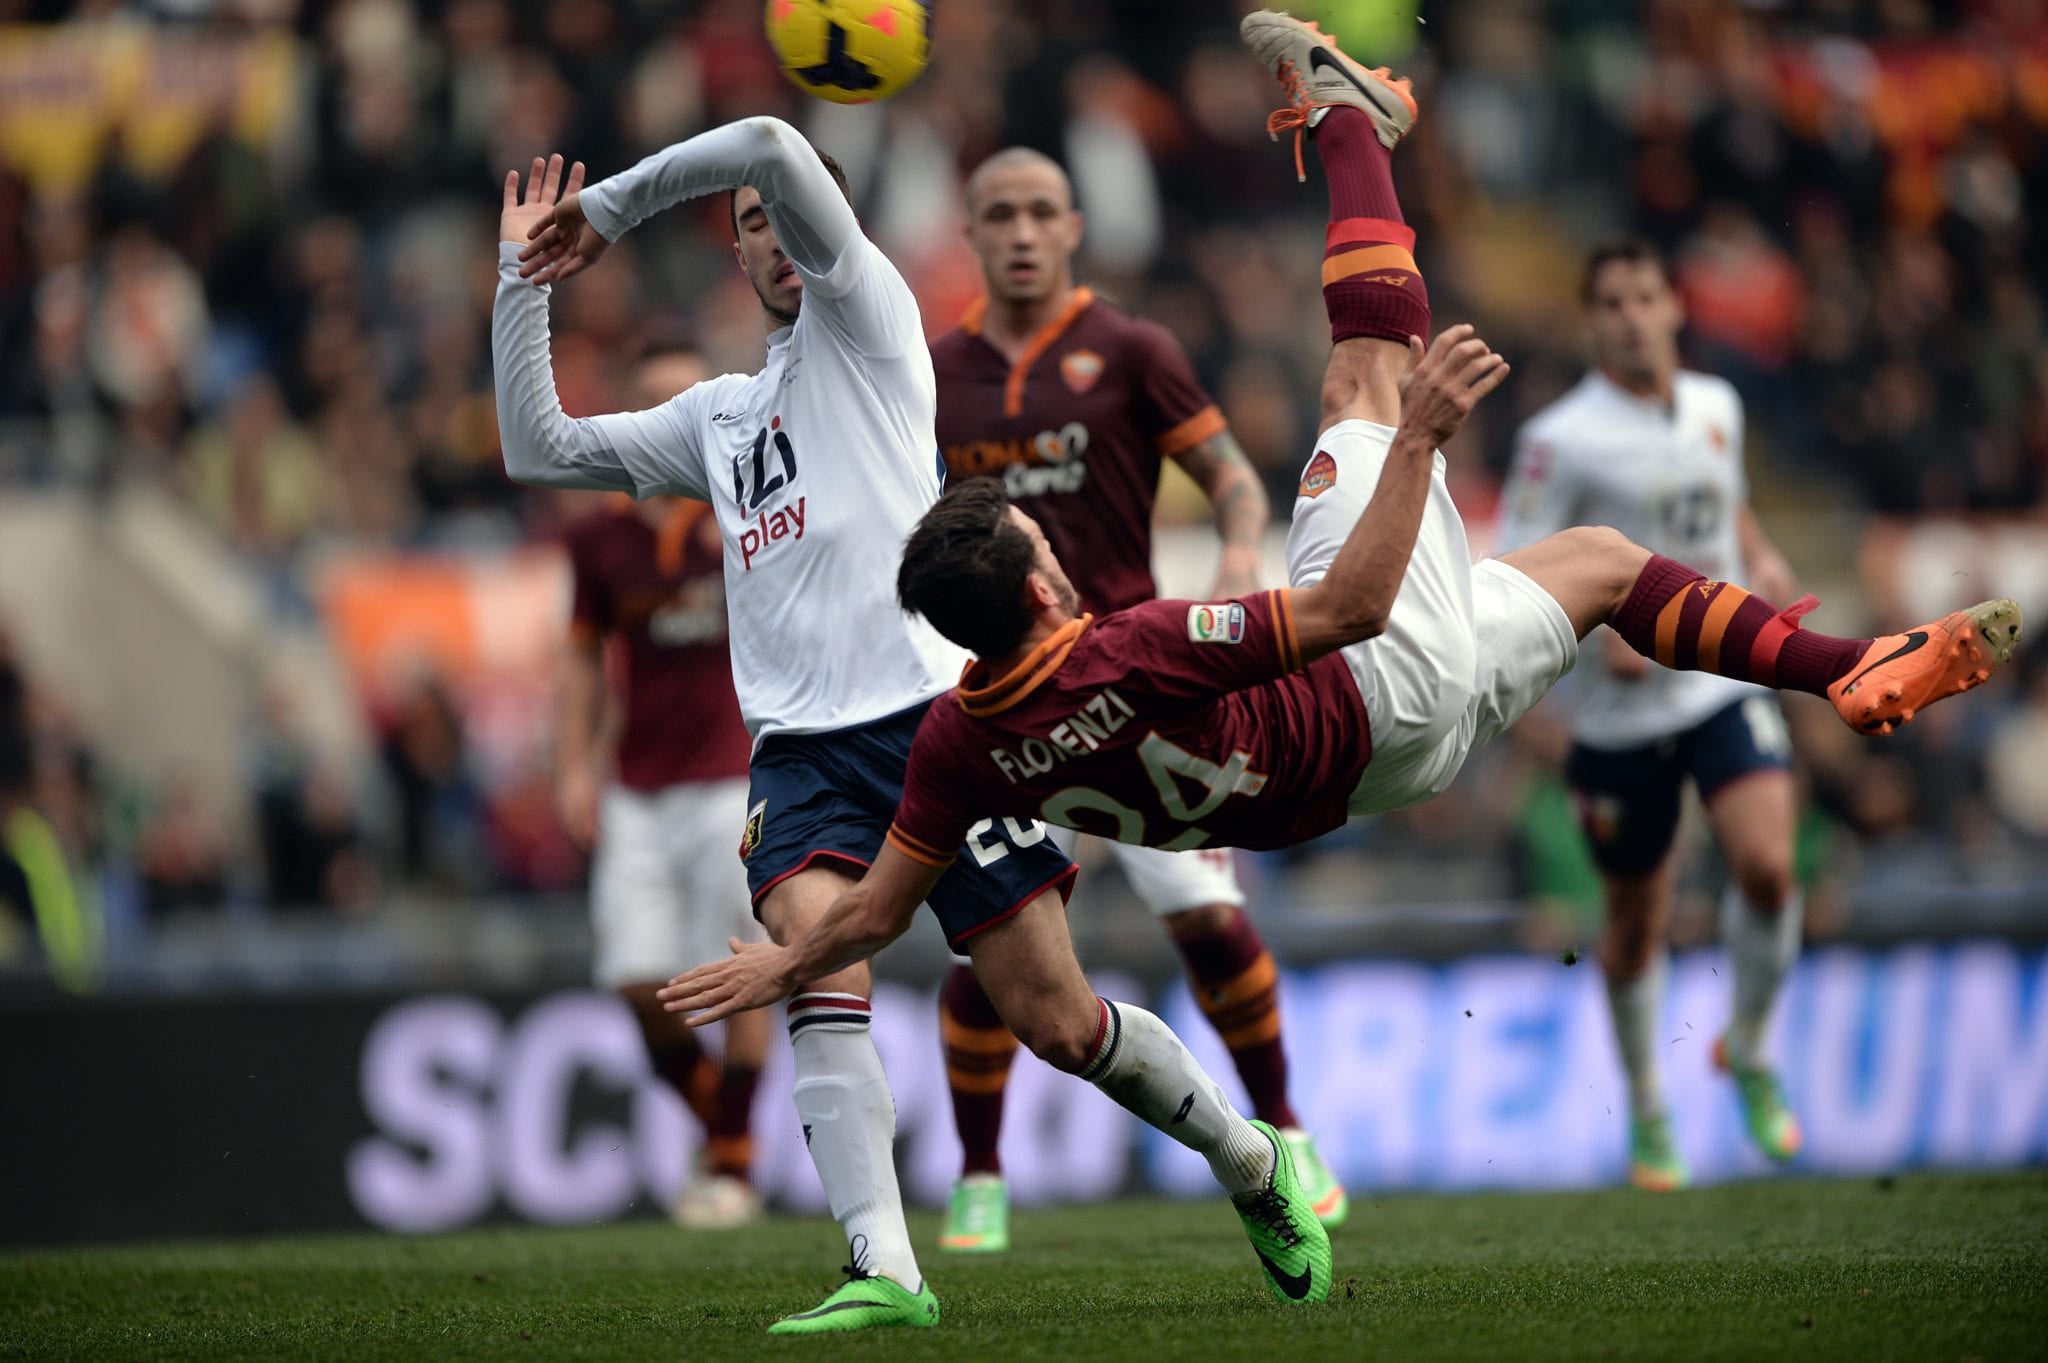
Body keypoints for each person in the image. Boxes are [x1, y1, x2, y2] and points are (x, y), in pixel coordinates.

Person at [658, 12, 2021, 1090]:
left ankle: (1845, 665)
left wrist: (774, 964)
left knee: (1604, 564)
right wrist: (1421, 438)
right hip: (1373, 685)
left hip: (1373, 774)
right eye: (1039, 541)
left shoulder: (952, 742)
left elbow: (877, 909)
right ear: (1039, 582)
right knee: (1367, 381)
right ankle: (1351, 115)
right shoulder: (1130, 637)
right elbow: (1355, 603)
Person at [494, 122, 1331, 1328]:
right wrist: (524, 281)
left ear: (828, 231)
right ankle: (883, 1266)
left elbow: (776, 142)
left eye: (786, 216)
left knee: (1055, 1019)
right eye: (747, 227)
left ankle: (1244, 1159)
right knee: (815, 961)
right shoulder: (719, 420)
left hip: (943, 723)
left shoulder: (869, 320)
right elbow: (540, 445)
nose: (773, 237)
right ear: (734, 258)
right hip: (798, 753)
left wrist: (612, 206)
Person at [925, 146, 1342, 1252]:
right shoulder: (933, 371)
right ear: (970, 233)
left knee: (1207, 918)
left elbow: (1233, 480)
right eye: (997, 213)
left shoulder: (1130, 349)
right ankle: (978, 1172)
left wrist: (1241, 554)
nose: (1019, 231)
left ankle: (1287, 1128)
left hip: (1132, 688)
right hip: (1006, 706)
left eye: (1039, 212)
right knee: (999, 944)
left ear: (1074, 228)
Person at [1497, 243, 1807, 1191]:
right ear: (1592, 321)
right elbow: (1519, 566)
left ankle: (1747, 1047)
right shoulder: (1561, 437)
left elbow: (1731, 504)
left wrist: (1765, 554)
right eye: (1612, 303)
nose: (1632, 316)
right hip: (1619, 713)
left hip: (1719, 681)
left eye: (1645, 296)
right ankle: (1648, 1106)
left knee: (1768, 863)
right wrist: (1603, 635)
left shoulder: (1719, 405)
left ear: (1676, 305)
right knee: (1638, 922)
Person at [554, 340, 768, 1226]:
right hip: (637, 783)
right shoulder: (598, 539)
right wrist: (571, 761)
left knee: (739, 972)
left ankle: (731, 1163)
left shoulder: (754, 510)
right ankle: (728, 1134)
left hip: (733, 778)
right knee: (639, 985)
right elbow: (579, 662)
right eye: (650, 402)